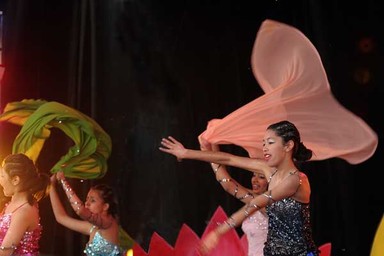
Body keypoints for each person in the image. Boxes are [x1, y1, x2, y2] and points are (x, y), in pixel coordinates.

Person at [160, 120, 319, 256]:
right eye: (263, 143)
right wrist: (186, 152)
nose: (264, 148)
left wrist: (218, 231)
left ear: (288, 145)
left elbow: (255, 203)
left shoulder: (297, 179)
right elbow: (229, 158)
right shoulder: (266, 169)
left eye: (270, 143)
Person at [204, 143, 268, 256]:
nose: (255, 180)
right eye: (254, 175)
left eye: (261, 177)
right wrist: (212, 146)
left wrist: (218, 232)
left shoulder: (269, 204)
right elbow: (228, 183)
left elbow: (229, 186)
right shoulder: (252, 200)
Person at [49, 171, 124, 256]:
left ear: (105, 206)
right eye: (87, 199)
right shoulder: (93, 227)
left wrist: (63, 181)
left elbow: (80, 210)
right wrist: (51, 186)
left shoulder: (109, 222)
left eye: (92, 200)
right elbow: (61, 217)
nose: (87, 203)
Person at [0, 153, 50, 256]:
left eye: (2, 176)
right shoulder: (14, 203)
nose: (0, 180)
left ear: (15, 180)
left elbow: (5, 252)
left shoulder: (24, 211)